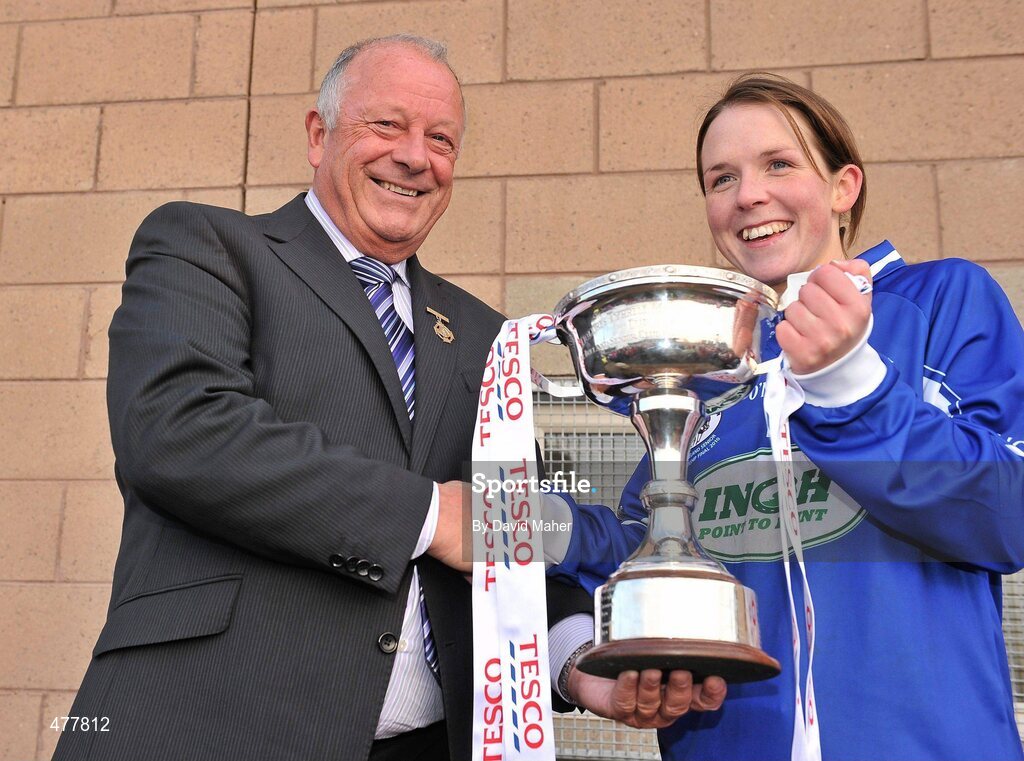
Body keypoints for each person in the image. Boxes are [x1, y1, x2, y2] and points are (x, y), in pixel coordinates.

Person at [53, 35, 598, 761]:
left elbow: (507, 523)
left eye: (441, 140)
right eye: (387, 125)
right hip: (207, 730)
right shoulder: (205, 246)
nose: (415, 156)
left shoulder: (484, 334)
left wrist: (576, 654)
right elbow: (181, 429)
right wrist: (430, 516)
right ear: (319, 135)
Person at [549, 73, 1024, 759]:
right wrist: (505, 524)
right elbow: (646, 548)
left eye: (778, 164)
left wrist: (848, 386)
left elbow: (1008, 516)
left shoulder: (940, 300)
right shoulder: (707, 366)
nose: (748, 195)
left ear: (843, 187)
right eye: (721, 178)